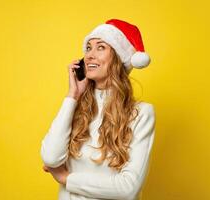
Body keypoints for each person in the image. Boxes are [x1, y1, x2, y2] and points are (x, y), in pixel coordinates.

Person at [40, 19, 155, 200]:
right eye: (88, 48)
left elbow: (128, 187)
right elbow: (51, 158)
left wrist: (66, 178)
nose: (89, 55)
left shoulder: (141, 114)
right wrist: (73, 95)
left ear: (118, 58)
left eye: (100, 47)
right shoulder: (74, 107)